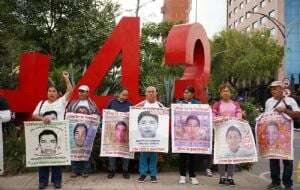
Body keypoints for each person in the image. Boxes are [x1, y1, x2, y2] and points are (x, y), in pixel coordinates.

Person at [32, 71, 72, 189]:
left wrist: (66, 79)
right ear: (47, 93)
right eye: (50, 91)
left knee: (56, 159)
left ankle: (56, 181)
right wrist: (42, 118)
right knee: (43, 159)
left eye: (54, 91)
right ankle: (43, 182)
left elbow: (70, 91)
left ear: (58, 94)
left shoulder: (61, 102)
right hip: (43, 135)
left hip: (57, 135)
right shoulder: (42, 103)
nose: (52, 93)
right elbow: (34, 115)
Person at [264, 81, 300, 190]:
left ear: (281, 89)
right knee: (273, 158)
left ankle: (287, 184)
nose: (272, 91)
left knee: (287, 160)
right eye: (271, 89)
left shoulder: (290, 100)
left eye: (275, 89)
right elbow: (266, 117)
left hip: (286, 136)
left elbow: (298, 114)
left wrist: (285, 110)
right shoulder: (269, 102)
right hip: (273, 135)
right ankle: (275, 182)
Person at [176, 86, 212, 185]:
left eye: (188, 93)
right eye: (184, 92)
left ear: (192, 94)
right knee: (183, 156)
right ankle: (182, 176)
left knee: (193, 157)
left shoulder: (198, 104)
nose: (185, 94)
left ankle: (192, 176)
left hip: (194, 138)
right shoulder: (179, 104)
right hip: (184, 137)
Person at [212, 83, 243, 186]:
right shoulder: (217, 104)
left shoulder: (236, 104)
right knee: (222, 155)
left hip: (233, 134)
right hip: (221, 134)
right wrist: (221, 119)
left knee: (232, 155)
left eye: (227, 91)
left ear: (230, 93)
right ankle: (222, 177)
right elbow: (213, 116)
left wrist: (237, 118)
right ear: (220, 93)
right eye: (223, 91)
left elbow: (239, 115)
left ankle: (230, 177)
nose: (226, 92)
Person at [66, 85, 99, 178]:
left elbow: (97, 116)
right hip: (75, 131)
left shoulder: (92, 104)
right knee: (74, 150)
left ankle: (85, 170)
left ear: (87, 93)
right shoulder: (73, 103)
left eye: (83, 91)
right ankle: (74, 170)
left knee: (86, 151)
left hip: (87, 132)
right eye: (80, 91)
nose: (80, 93)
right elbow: (68, 114)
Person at [135, 86, 164, 183]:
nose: (151, 93)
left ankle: (153, 175)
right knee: (143, 156)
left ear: (156, 93)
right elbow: (132, 115)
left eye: (153, 92)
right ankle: (142, 174)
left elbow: (165, 120)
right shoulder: (140, 105)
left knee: (154, 156)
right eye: (149, 92)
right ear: (145, 93)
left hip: (156, 137)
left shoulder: (160, 106)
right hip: (142, 137)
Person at [106, 88, 132, 179]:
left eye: (127, 95)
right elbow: (106, 115)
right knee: (111, 152)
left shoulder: (130, 104)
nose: (125, 96)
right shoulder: (111, 103)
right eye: (124, 94)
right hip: (113, 132)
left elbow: (132, 117)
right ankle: (112, 170)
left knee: (126, 151)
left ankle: (125, 170)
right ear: (118, 94)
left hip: (125, 132)